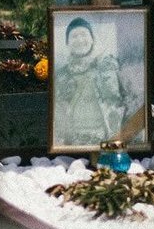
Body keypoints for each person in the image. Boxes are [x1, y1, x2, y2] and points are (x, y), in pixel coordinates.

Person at [52, 17, 131, 146]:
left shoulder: (108, 67)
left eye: (84, 34)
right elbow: (58, 114)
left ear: (92, 39)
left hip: (106, 141)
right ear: (67, 43)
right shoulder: (61, 76)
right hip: (73, 144)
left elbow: (124, 101)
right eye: (74, 36)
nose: (79, 40)